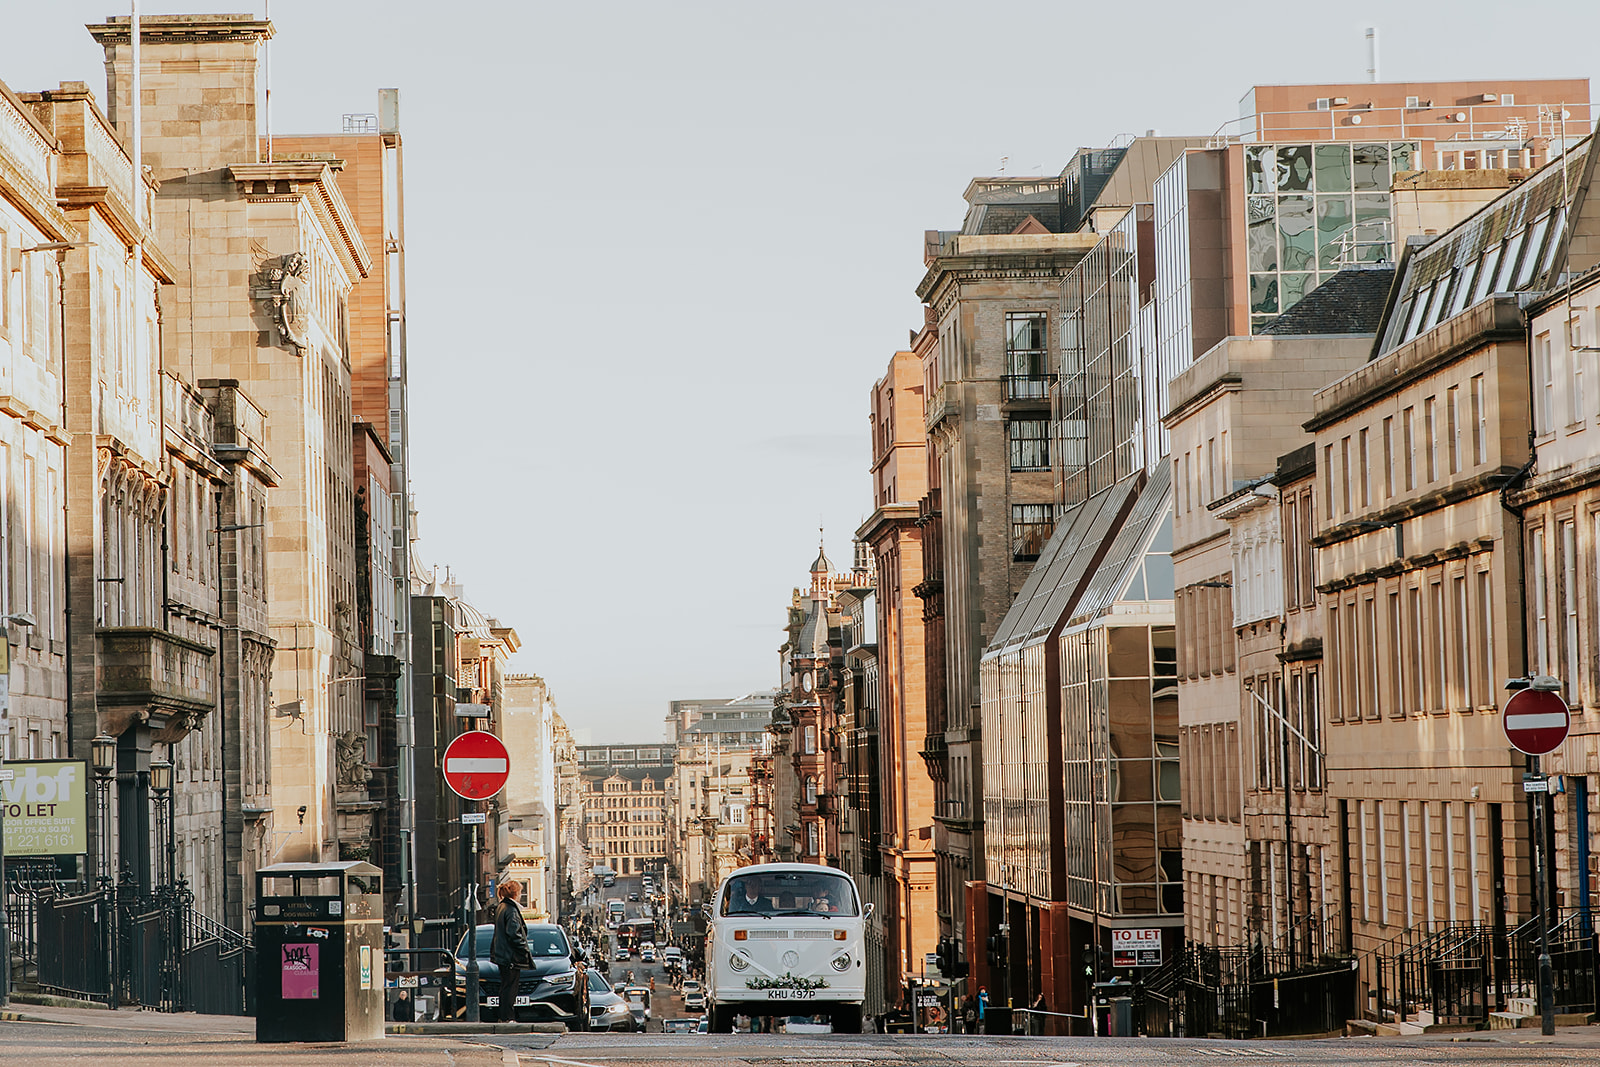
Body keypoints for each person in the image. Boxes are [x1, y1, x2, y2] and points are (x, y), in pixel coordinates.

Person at [489, 880, 533, 1023]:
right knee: (510, 987)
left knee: (505, 986)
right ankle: (508, 1017)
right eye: (519, 892)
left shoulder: (501, 907)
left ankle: (503, 1016)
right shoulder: (511, 910)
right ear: (515, 893)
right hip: (511, 956)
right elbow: (514, 933)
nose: (520, 895)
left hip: (503, 955)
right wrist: (524, 950)